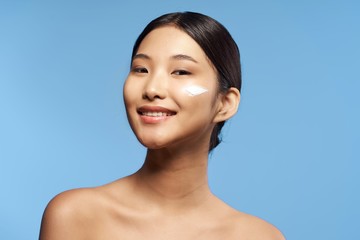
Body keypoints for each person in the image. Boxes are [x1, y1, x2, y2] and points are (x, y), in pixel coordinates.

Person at [39, 12, 285, 240]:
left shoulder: (260, 236)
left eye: (180, 72)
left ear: (225, 104)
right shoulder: (75, 216)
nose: (152, 89)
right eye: (141, 69)